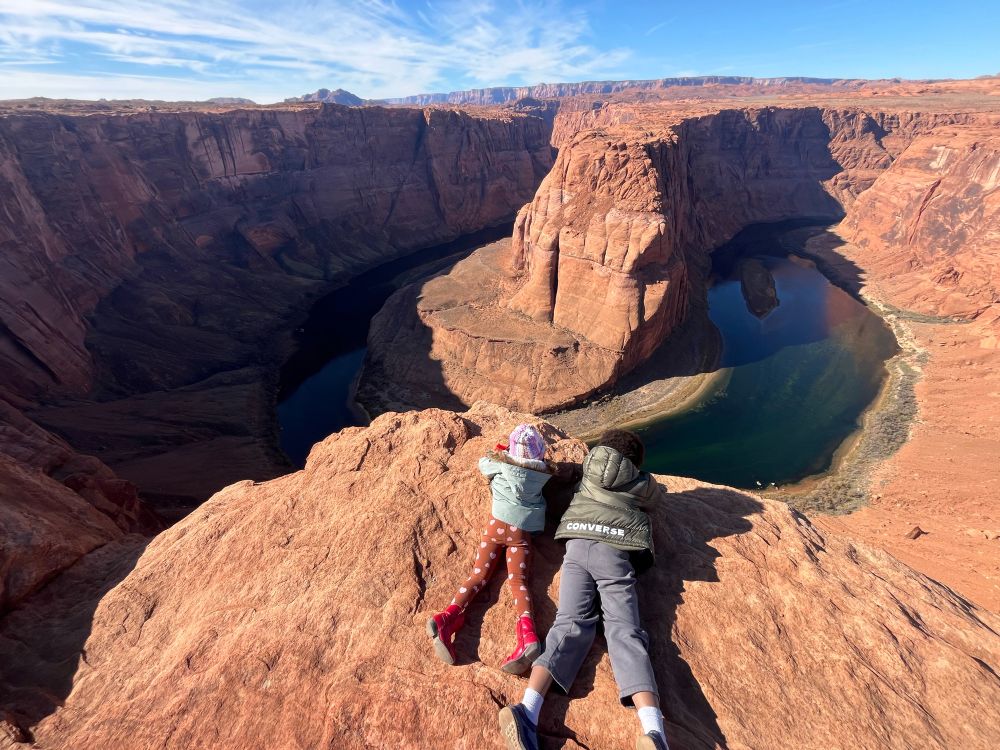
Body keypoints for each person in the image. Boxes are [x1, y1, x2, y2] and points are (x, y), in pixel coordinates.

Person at [498, 429, 670, 750]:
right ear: (634, 463)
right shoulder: (641, 484)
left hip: (576, 545)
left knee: (568, 623)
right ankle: (653, 731)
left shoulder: (588, 467)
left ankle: (527, 710)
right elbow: (656, 498)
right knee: (624, 631)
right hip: (614, 552)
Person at [426, 423, 554, 674]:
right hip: (520, 533)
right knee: (518, 582)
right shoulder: (543, 474)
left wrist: (501, 453)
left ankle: (448, 617)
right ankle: (527, 636)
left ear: (511, 451)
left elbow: (483, 464)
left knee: (478, 576)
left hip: (495, 527)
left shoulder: (500, 464)